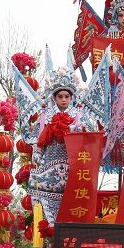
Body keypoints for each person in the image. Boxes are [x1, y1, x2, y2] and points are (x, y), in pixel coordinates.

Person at [28, 69, 88, 226]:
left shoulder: (79, 116)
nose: (63, 100)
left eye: (66, 96)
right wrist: (37, 154)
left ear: (71, 97)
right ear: (54, 98)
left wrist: (78, 130)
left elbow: (88, 138)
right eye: (60, 96)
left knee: (71, 212)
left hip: (73, 168)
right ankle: (51, 239)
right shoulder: (45, 116)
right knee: (49, 212)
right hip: (50, 167)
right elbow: (38, 140)